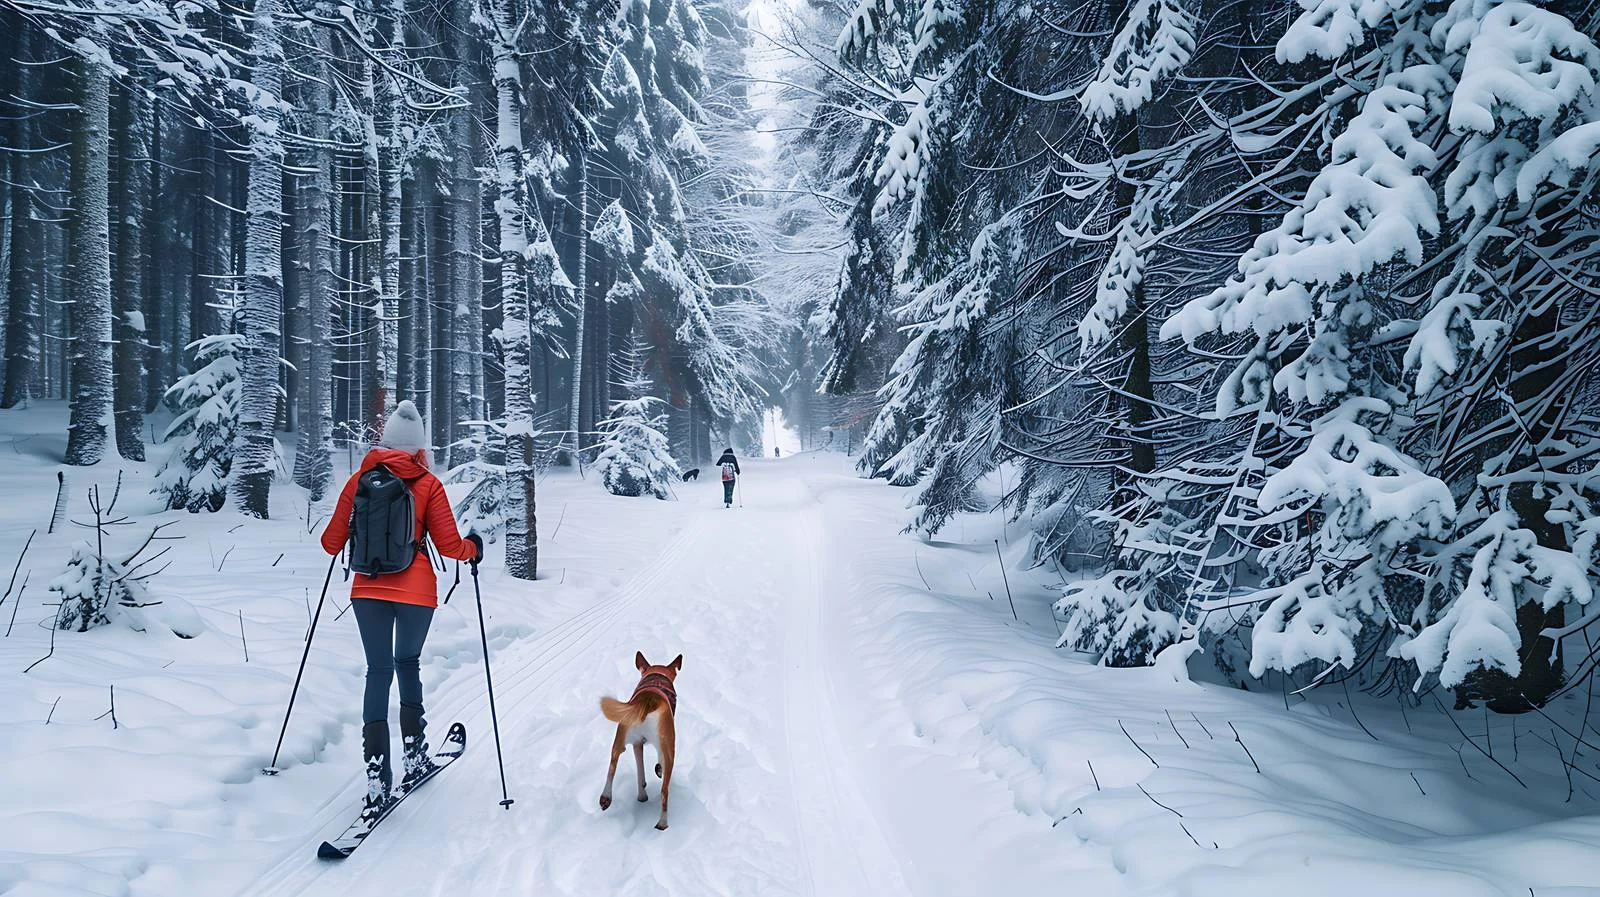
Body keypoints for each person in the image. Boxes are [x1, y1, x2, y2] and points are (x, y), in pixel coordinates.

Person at [320, 400, 482, 815]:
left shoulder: (359, 480)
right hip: (415, 591)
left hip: (367, 590)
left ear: (385, 441)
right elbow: (449, 546)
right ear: (419, 448)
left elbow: (329, 543)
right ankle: (414, 756)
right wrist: (473, 548)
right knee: (407, 663)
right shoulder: (428, 484)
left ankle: (377, 777)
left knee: (378, 672)